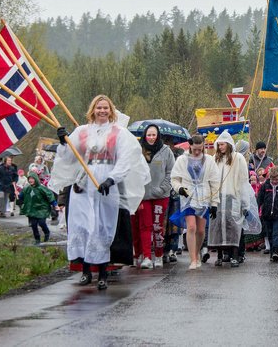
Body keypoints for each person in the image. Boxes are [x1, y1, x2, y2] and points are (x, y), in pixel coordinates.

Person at [49, 95, 150, 290]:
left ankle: (103, 273)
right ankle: (86, 272)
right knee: (83, 226)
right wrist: (64, 142)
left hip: (106, 184)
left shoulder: (119, 133)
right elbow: (71, 157)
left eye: (105, 108)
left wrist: (112, 179)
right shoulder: (82, 131)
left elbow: (127, 158)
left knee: (102, 227)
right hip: (83, 184)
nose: (102, 111)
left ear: (111, 110)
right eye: (99, 108)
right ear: (93, 110)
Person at [207, 131, 257, 267]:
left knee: (233, 226)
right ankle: (220, 255)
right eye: (219, 144)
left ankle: (235, 255)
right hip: (218, 198)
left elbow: (242, 181)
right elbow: (210, 179)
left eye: (223, 144)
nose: (220, 147)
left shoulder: (238, 158)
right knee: (217, 227)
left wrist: (244, 202)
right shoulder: (214, 159)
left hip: (233, 197)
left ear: (228, 145)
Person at [170, 135, 218, 270]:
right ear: (190, 145)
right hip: (188, 197)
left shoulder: (209, 160)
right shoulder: (182, 160)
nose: (197, 152)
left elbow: (214, 182)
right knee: (191, 227)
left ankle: (197, 252)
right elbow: (174, 179)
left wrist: (214, 203)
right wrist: (179, 189)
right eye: (195, 149)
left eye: (200, 149)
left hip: (203, 198)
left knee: (201, 230)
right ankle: (193, 259)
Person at [135, 124, 175, 269]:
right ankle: (146, 256)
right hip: (143, 195)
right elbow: (134, 172)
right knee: (145, 226)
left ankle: (158, 255)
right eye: (149, 135)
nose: (151, 138)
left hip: (160, 195)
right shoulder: (138, 151)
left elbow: (171, 172)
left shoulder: (166, 151)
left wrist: (163, 188)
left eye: (154, 135)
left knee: (158, 226)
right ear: (145, 135)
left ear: (158, 136)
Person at [258, 167, 278, 262]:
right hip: (267, 214)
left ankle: (275, 251)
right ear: (270, 178)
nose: (274, 181)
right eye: (273, 179)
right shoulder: (265, 186)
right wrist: (258, 209)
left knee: (276, 233)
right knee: (270, 234)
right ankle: (272, 253)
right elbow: (259, 200)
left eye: (276, 179)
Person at [20, 172, 54, 244]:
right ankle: (37, 239)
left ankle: (47, 233)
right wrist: (19, 195)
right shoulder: (27, 188)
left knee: (41, 223)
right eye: (29, 179)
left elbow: (50, 196)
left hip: (42, 209)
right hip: (32, 209)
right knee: (34, 225)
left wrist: (55, 204)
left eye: (32, 178)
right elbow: (22, 196)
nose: (30, 180)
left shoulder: (42, 188)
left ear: (35, 179)